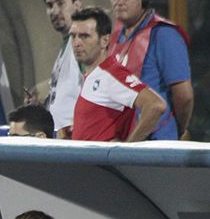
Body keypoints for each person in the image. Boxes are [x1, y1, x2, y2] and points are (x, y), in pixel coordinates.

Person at [107, 0, 193, 140]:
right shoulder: (115, 35)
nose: (119, 2)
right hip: (124, 140)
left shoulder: (164, 34)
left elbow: (184, 96)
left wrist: (177, 129)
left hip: (156, 141)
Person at [69, 7, 167, 142]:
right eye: (73, 36)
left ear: (105, 40)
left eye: (85, 36)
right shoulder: (92, 76)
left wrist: (126, 151)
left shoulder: (112, 74)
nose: (76, 43)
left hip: (101, 163)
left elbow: (155, 105)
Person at [41, 0, 83, 138]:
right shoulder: (65, 46)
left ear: (77, 5)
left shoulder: (82, 45)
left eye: (60, 3)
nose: (54, 11)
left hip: (74, 138)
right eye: (50, 5)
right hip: (59, 138)